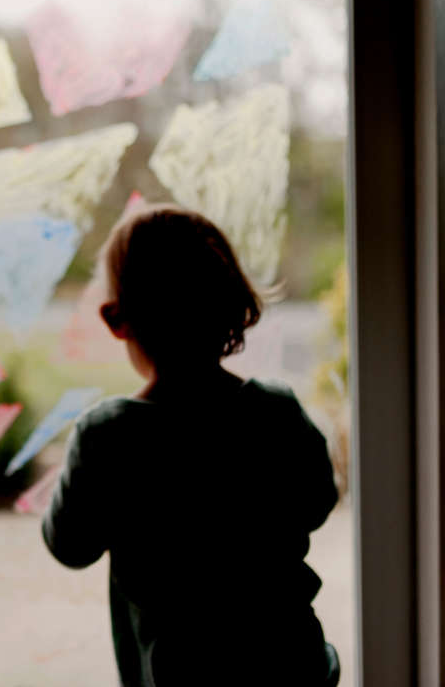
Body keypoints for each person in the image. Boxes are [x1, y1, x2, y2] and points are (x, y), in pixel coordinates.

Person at [41, 203, 340, 687]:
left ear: (116, 319)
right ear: (234, 305)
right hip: (290, 664)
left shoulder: (108, 435)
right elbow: (317, 503)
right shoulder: (276, 410)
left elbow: (70, 547)